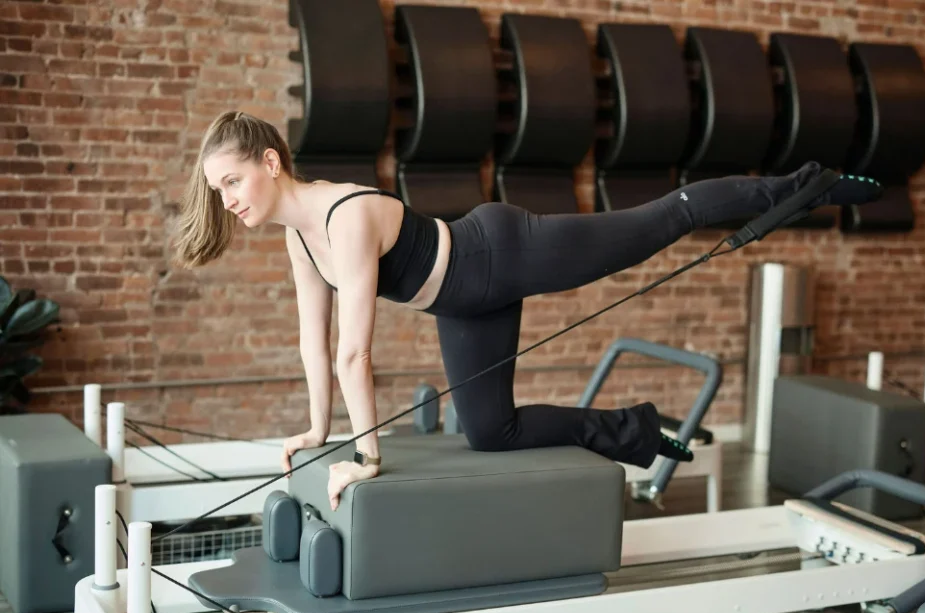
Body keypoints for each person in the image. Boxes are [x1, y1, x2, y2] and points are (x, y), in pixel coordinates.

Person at [176, 110, 882, 510]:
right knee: (492, 432)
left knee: (661, 221)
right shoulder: (301, 238)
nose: (230, 200)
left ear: (271, 163)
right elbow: (313, 343)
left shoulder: (344, 215)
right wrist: (316, 427)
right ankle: (635, 433)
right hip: (465, 308)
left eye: (233, 181)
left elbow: (354, 353)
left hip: (500, 252)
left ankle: (805, 184)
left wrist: (365, 456)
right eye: (220, 190)